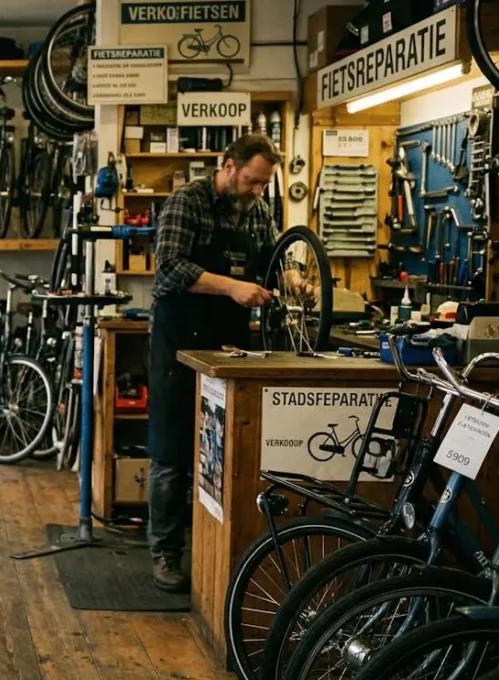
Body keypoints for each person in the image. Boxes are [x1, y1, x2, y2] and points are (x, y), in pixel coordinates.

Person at [147, 134, 282, 593]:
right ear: (227, 165)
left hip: (228, 349)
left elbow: (271, 264)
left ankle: (214, 550)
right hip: (179, 343)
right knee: (172, 454)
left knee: (222, 455)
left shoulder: (257, 212)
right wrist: (230, 287)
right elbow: (168, 269)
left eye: (263, 185)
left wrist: (294, 277)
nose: (257, 192)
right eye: (251, 181)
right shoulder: (187, 202)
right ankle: (165, 553)